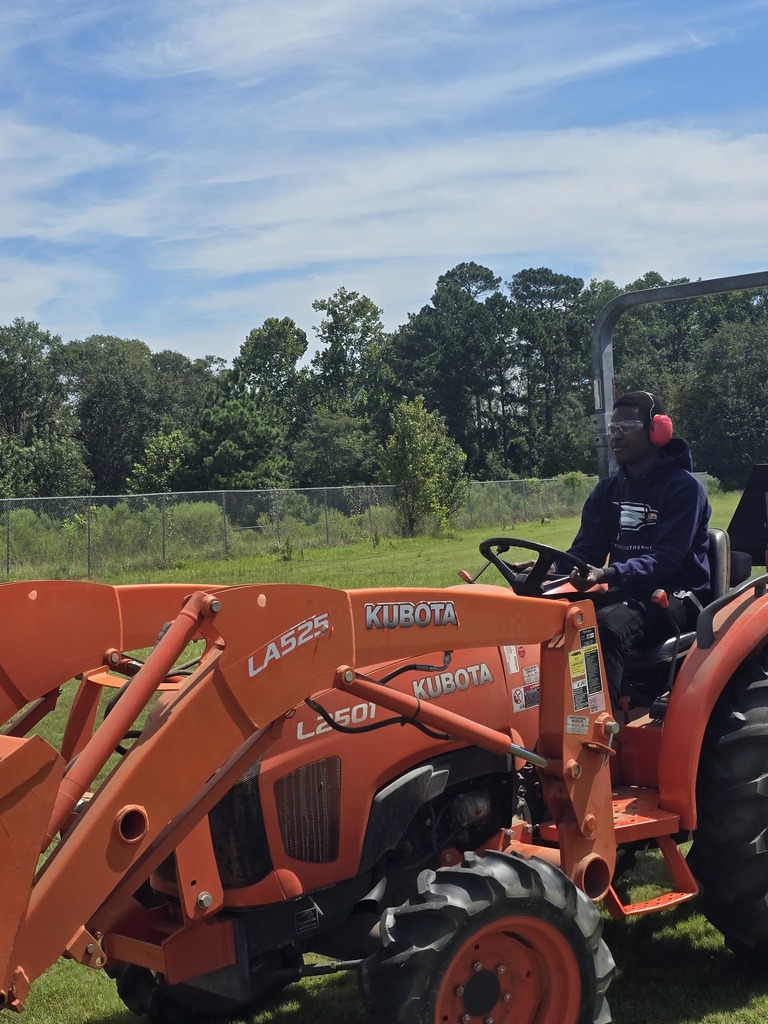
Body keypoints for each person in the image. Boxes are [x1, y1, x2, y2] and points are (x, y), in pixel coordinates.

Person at [557, 391, 711, 708]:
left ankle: (598, 731)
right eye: (612, 427)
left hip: (678, 594)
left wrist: (609, 573)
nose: (615, 434)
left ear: (658, 431)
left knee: (606, 628)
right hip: (627, 589)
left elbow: (664, 560)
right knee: (551, 614)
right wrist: (549, 569)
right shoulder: (608, 490)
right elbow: (587, 550)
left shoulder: (683, 488)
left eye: (626, 425)